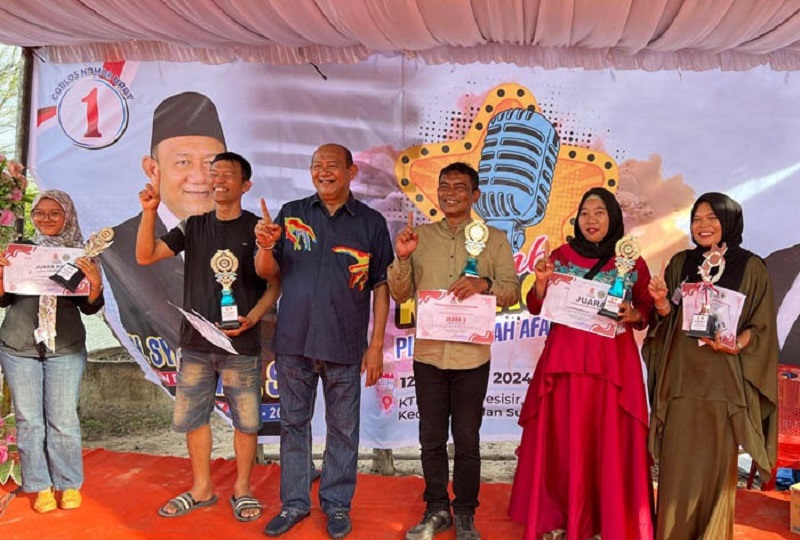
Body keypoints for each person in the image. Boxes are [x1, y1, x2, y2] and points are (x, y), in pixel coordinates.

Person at [255, 143, 393, 540]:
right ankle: (295, 503)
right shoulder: (293, 214)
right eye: (317, 166)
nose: (323, 172)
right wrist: (265, 246)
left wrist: (376, 344)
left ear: (352, 172)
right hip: (294, 342)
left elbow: (381, 285)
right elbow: (269, 272)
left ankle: (336, 505)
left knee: (344, 430)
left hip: (346, 344)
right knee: (293, 426)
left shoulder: (370, 222)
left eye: (333, 165)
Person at [136, 152, 279, 522]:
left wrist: (253, 318)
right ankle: (201, 488)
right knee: (194, 418)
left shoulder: (257, 228)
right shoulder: (192, 225)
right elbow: (146, 255)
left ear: (245, 185)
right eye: (214, 174)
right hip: (196, 344)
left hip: (239, 344)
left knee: (246, 422)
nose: (218, 180)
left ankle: (242, 489)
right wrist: (150, 210)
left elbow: (273, 283)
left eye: (228, 175)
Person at [508, 187, 654, 540]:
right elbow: (535, 305)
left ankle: (609, 520)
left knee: (609, 442)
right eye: (585, 212)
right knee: (564, 441)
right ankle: (561, 517)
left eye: (600, 212)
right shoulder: (560, 255)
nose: (591, 220)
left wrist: (633, 312)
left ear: (613, 217)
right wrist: (541, 284)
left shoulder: (631, 262)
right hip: (566, 364)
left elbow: (645, 310)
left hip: (612, 367)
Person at [388, 162, 520, 540]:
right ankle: (435, 509)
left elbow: (511, 290)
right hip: (429, 355)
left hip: (471, 357)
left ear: (475, 195)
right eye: (444, 186)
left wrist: (485, 284)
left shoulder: (493, 239)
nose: (450, 193)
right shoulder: (420, 237)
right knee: (430, 437)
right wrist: (402, 257)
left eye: (460, 187)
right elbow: (399, 293)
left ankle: (464, 512)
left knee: (466, 438)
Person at [643, 192, 778, 540]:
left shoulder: (751, 266)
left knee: (715, 471)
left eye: (712, 218)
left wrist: (735, 343)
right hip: (681, 380)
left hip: (722, 383)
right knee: (676, 469)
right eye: (697, 219)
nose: (703, 226)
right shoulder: (680, 263)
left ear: (729, 222)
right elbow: (669, 321)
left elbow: (760, 327)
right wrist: (660, 304)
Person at [103, 91, 226, 366]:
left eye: (211, 163)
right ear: (152, 168)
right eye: (183, 162)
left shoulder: (245, 233)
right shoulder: (119, 245)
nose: (199, 176)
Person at [0, 190, 104, 513]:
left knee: (63, 419)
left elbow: (91, 307)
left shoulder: (81, 254)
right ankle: (40, 486)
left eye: (54, 213)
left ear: (68, 216)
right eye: (39, 213)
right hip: (19, 346)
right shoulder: (19, 253)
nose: (45, 219)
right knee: (29, 420)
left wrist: (95, 284)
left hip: (65, 348)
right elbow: (3, 300)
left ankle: (68, 483)